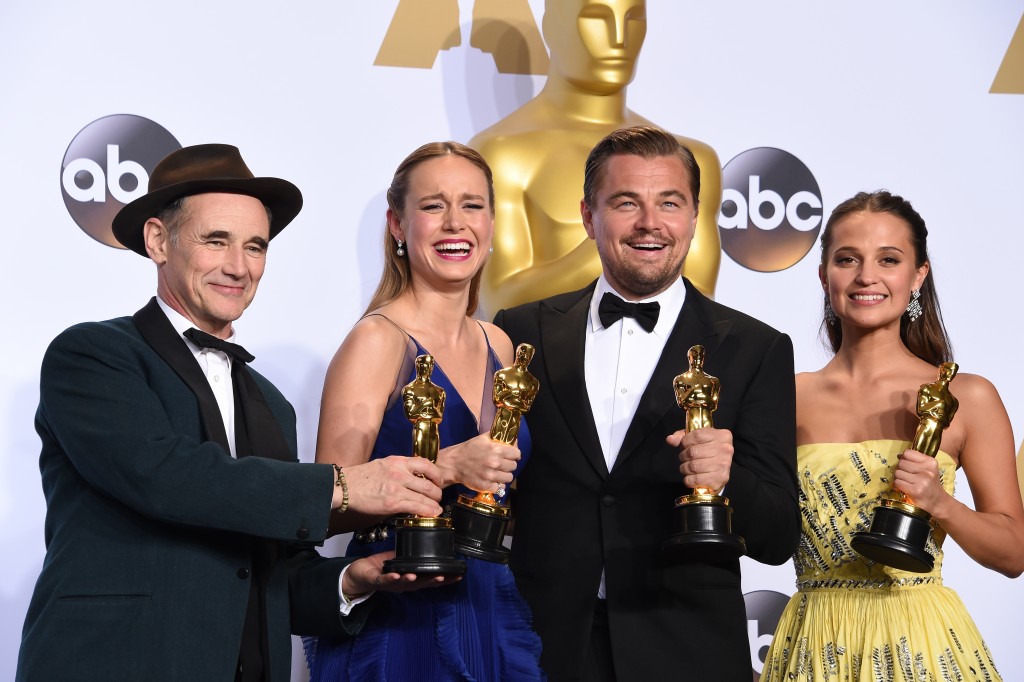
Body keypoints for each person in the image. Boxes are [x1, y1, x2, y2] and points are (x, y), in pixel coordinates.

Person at [16, 144, 452, 682]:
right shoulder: (91, 355)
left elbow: (270, 571)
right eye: (215, 240)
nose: (238, 267)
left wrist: (350, 581)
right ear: (158, 240)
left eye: (255, 247)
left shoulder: (271, 402)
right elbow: (168, 476)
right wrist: (340, 488)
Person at [493, 125, 800, 681]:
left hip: (687, 651)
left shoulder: (756, 349)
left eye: (669, 203)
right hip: (543, 646)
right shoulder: (521, 330)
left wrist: (728, 477)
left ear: (696, 218)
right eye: (626, 202)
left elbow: (779, 536)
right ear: (589, 217)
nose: (649, 224)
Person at [304, 141, 545, 681]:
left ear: (491, 221)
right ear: (397, 224)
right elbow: (325, 505)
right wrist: (449, 467)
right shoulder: (377, 340)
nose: (455, 223)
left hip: (486, 602)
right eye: (433, 206)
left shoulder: (499, 345)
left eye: (472, 205)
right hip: (399, 607)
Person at [761, 190, 1024, 681]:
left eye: (889, 259)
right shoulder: (783, 397)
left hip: (922, 646)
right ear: (824, 275)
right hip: (815, 647)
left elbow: (1014, 554)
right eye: (847, 259)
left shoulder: (968, 396)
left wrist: (940, 503)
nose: (866, 276)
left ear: (918, 275)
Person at [469, 0, 723, 316]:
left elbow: (702, 308)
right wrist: (624, 243)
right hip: (545, 362)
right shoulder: (501, 155)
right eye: (596, 17)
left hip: (668, 363)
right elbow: (502, 305)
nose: (619, 38)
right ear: (552, 27)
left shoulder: (693, 160)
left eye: (633, 18)